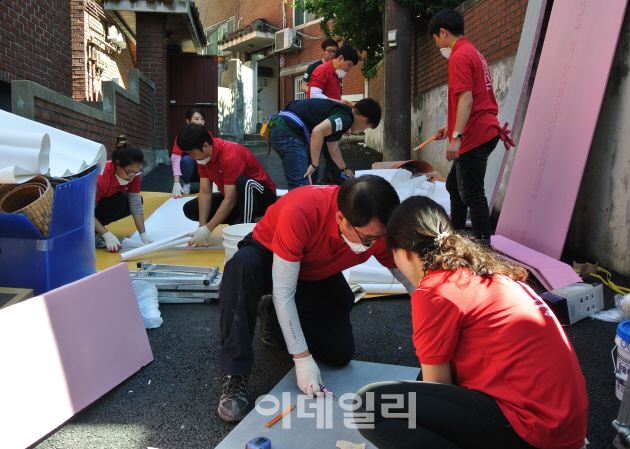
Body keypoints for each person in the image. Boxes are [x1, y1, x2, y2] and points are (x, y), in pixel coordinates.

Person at [354, 196, 589, 449]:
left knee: (371, 405)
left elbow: (438, 388)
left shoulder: (434, 289)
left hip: (534, 430)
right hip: (563, 427)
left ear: (404, 253)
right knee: (420, 382)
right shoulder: (485, 272)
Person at [215, 176, 414, 422]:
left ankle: (273, 318)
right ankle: (235, 374)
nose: (375, 244)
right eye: (369, 239)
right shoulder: (300, 211)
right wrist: (301, 359)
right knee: (240, 269)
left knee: (339, 352)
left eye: (380, 237)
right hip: (269, 255)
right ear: (341, 219)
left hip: (313, 269)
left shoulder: (377, 228)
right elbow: (284, 291)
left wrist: (436, 323)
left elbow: (411, 280)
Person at [429, 9, 514, 247]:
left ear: (443, 32)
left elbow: (466, 98)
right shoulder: (472, 51)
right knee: (454, 186)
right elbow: (473, 98)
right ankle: (455, 234)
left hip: (475, 134)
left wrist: (456, 137)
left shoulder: (459, 56)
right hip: (482, 128)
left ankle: (484, 246)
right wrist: (451, 127)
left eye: (435, 39)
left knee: (472, 192)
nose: (437, 45)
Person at [176, 124, 276, 247]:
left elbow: (230, 200)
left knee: (243, 182)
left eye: (192, 153)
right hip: (236, 199)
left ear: (206, 146)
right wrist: (202, 227)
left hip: (261, 197)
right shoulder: (203, 158)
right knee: (190, 208)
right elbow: (205, 192)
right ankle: (236, 221)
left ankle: (245, 232)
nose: (191, 157)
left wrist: (208, 229)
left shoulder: (230, 155)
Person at [269, 98, 381, 190]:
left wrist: (344, 169)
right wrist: (314, 163)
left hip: (289, 131)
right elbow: (317, 131)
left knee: (312, 177)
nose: (363, 130)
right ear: (363, 120)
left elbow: (333, 149)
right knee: (301, 184)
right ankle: (296, 215)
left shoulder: (344, 116)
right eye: (367, 127)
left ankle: (309, 211)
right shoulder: (345, 118)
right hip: (287, 131)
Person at [308, 45, 360, 185]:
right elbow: (314, 95)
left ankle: (342, 189)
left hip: (328, 123)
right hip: (316, 123)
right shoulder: (322, 70)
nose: (349, 70)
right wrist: (339, 102)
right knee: (315, 163)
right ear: (341, 58)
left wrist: (344, 126)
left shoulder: (336, 76)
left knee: (332, 158)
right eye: (348, 65)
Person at [94, 138, 153, 252]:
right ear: (117, 164)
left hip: (101, 205)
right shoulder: (100, 177)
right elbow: (86, 213)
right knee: (119, 201)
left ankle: (96, 231)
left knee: (134, 200)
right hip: (83, 213)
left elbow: (135, 203)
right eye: (130, 171)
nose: (133, 176)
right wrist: (106, 235)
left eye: (137, 172)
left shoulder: (133, 175)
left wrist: (143, 234)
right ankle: (92, 232)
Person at [171, 108, 207, 198]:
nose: (200, 122)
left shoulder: (207, 135)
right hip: (188, 171)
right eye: (196, 119)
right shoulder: (182, 137)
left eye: (202, 119)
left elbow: (213, 156)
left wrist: (214, 184)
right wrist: (176, 183)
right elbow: (175, 158)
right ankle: (186, 184)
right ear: (188, 121)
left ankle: (207, 185)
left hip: (204, 171)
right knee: (186, 159)